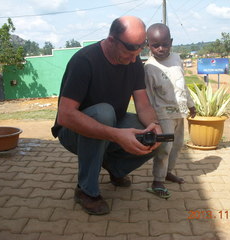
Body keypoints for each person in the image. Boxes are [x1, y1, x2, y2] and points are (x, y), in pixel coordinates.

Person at [51, 16, 162, 215]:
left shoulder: (134, 61)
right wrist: (116, 135)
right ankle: (86, 191)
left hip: (111, 124)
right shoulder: (84, 61)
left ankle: (113, 167)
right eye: (130, 49)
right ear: (111, 40)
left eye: (141, 48)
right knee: (103, 113)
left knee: (151, 136)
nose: (134, 57)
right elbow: (65, 116)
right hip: (72, 133)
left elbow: (143, 105)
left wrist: (155, 125)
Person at [144, 23, 196, 199]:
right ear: (148, 45)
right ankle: (157, 180)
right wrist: (152, 120)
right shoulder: (149, 67)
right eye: (155, 45)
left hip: (180, 112)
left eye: (165, 44)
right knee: (165, 146)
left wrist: (191, 104)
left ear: (171, 42)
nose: (161, 48)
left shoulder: (176, 58)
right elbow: (149, 96)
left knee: (178, 144)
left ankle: (168, 172)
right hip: (163, 114)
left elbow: (183, 85)